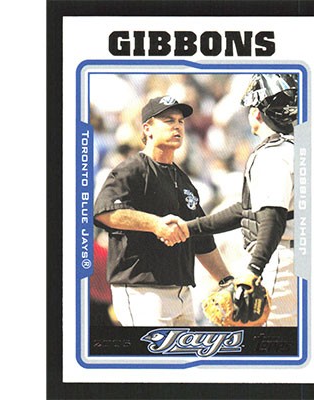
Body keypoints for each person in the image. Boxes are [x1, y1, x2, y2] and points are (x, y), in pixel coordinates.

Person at [93, 95, 232, 327]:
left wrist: (227, 281)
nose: (177, 126)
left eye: (180, 121)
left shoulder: (183, 179)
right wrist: (155, 224)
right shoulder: (131, 170)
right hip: (143, 290)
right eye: (168, 120)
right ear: (147, 128)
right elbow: (104, 212)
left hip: (182, 292)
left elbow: (202, 239)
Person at [172, 74, 298, 326]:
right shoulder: (296, 148)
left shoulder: (272, 154)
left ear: (258, 114)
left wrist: (253, 270)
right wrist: (190, 228)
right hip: (295, 254)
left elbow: (272, 218)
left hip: (281, 258)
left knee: (272, 340)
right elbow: (246, 210)